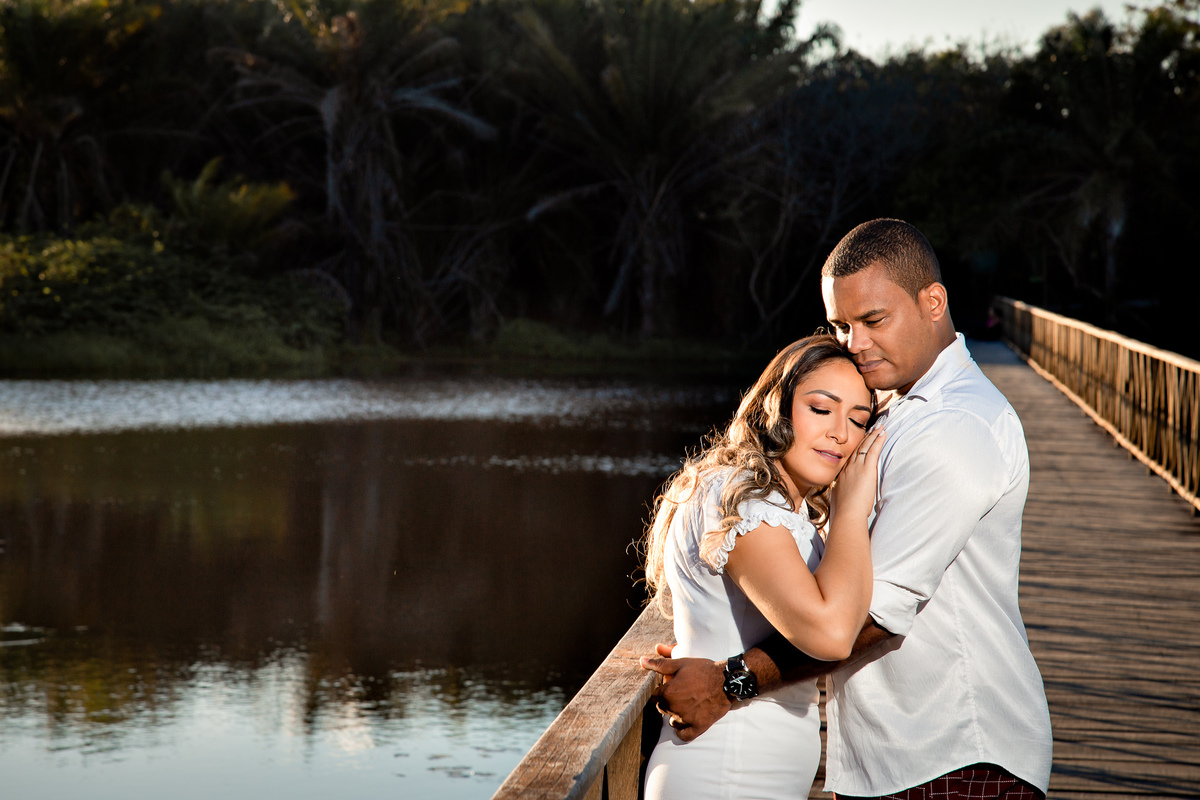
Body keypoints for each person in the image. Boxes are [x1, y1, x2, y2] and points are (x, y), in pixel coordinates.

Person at [641, 219, 1053, 800]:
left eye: (873, 320)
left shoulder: (953, 426)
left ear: (933, 302)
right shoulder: (889, 404)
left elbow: (868, 615)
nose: (854, 343)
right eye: (841, 325)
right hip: (888, 756)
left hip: (951, 752)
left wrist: (727, 679)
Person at [640, 334, 886, 800]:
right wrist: (852, 510)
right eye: (821, 409)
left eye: (858, 420)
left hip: (750, 767)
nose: (841, 433)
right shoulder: (744, 500)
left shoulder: (769, 501)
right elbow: (833, 635)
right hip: (726, 770)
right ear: (776, 407)